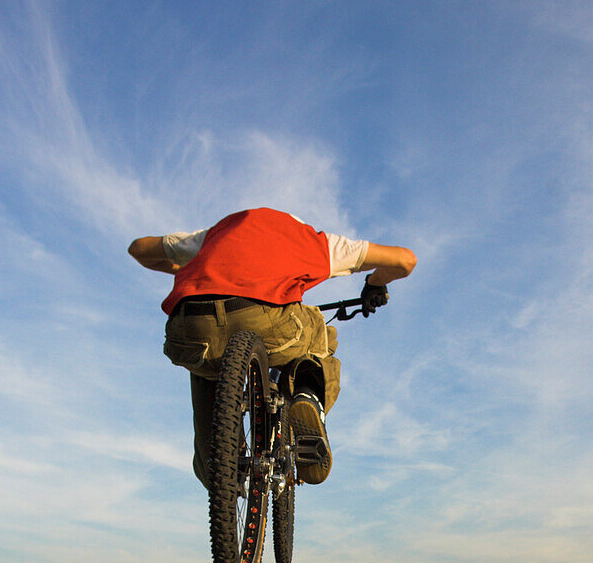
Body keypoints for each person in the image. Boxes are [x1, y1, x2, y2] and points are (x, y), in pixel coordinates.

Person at [128, 207, 416, 488]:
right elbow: (405, 260)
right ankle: (307, 395)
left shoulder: (212, 237)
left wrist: (190, 268)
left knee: (205, 361)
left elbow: (139, 249)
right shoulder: (313, 241)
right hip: (263, 320)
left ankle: (218, 464)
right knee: (315, 323)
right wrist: (374, 283)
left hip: (189, 327)